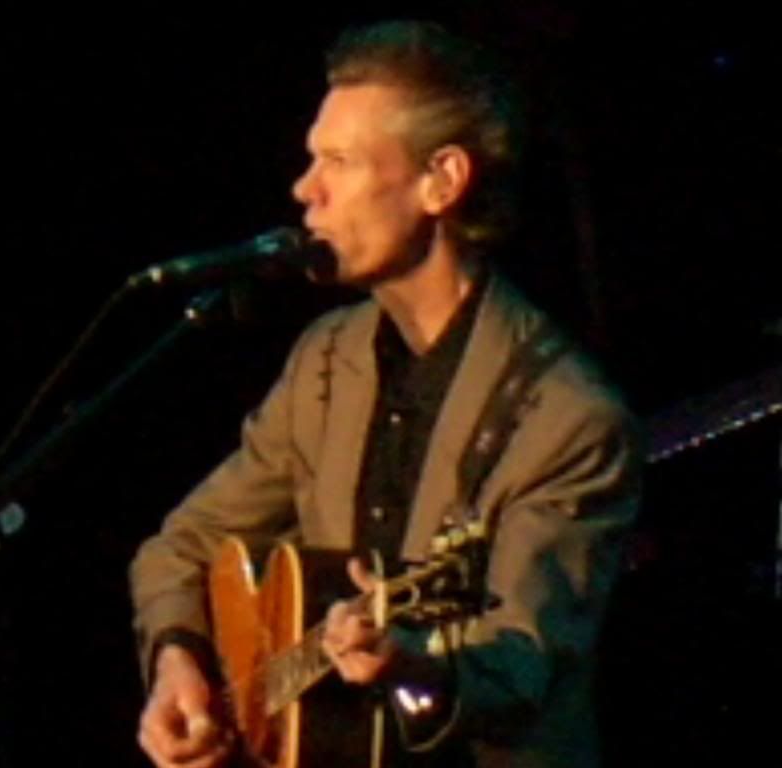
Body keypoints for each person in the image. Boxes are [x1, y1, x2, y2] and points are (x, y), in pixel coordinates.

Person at [130, 19, 641, 768]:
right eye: (313, 159)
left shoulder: (567, 418)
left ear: (443, 181)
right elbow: (180, 547)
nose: (305, 190)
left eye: (337, 161)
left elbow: (522, 666)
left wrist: (413, 667)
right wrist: (179, 660)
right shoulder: (326, 361)